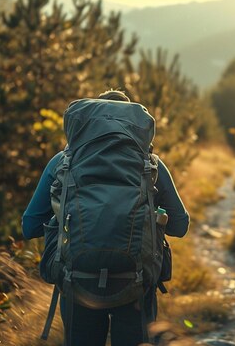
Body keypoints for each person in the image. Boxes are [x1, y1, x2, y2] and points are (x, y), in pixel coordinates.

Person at [21, 89, 189, 346]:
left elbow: (30, 225)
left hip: (77, 279)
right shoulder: (151, 164)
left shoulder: (62, 163)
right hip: (135, 279)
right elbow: (180, 226)